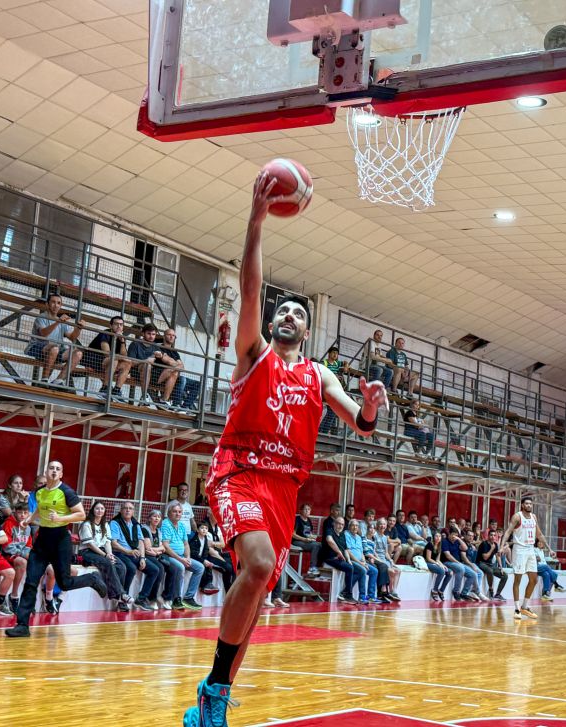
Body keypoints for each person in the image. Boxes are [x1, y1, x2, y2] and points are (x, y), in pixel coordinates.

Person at [185, 176, 388, 727]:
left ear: (308, 329)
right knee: (258, 565)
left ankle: (214, 697)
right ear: (273, 323)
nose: (290, 315)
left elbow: (360, 423)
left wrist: (371, 406)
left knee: (253, 598)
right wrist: (255, 224)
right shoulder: (254, 355)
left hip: (283, 491)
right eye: (285, 310)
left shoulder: (320, 374)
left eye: (300, 312)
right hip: (238, 472)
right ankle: (213, 688)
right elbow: (251, 289)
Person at [4, 461, 107, 637]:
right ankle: (22, 625)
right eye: (51, 468)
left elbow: (81, 514)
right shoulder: (39, 492)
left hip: (61, 540)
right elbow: (40, 510)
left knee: (65, 582)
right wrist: (29, 520)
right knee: (31, 582)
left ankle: (92, 579)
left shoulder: (66, 492)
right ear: (46, 472)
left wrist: (60, 518)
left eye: (58, 469)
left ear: (61, 474)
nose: (54, 471)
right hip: (42, 539)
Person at [501, 495, 547, 619]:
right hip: (519, 550)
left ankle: (525, 607)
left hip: (530, 549)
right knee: (518, 580)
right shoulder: (517, 516)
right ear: (522, 505)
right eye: (526, 503)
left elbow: (539, 534)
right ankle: (517, 609)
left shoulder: (534, 517)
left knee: (534, 579)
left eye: (530, 504)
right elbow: (508, 531)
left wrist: (549, 548)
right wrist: (501, 546)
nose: (529, 505)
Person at [25, 293, 83, 388]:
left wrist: (79, 328)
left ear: (61, 306)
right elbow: (43, 333)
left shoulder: (62, 322)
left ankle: (58, 380)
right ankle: (44, 380)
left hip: (55, 351)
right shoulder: (41, 318)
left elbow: (72, 337)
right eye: (53, 302)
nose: (56, 305)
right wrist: (58, 322)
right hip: (36, 348)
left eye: (58, 303)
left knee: (78, 353)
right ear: (47, 304)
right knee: (54, 348)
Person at [79, 500, 128, 611]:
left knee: (121, 566)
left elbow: (107, 542)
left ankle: (116, 595)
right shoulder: (86, 524)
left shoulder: (105, 524)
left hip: (102, 551)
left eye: (102, 509)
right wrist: (105, 556)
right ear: (93, 510)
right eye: (97, 508)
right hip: (87, 551)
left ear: (105, 511)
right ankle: (121, 594)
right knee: (107, 563)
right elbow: (90, 545)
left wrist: (110, 554)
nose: (99, 511)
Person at [111, 501, 160, 611]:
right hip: (120, 552)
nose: (128, 510)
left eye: (130, 508)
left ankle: (141, 599)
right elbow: (114, 543)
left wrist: (142, 557)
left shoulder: (136, 524)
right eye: (125, 508)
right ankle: (122, 600)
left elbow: (141, 542)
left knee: (154, 570)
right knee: (131, 568)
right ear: (121, 510)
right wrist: (128, 552)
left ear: (133, 511)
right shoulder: (115, 523)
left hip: (134, 553)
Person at [161, 502, 203, 610]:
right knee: (180, 567)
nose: (177, 514)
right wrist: (181, 559)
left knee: (200, 567)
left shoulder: (182, 525)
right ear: (169, 513)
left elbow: (186, 544)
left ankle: (189, 597)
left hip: (182, 556)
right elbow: (166, 546)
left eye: (179, 512)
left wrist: (187, 558)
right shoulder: (166, 524)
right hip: (168, 556)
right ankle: (176, 599)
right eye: (175, 511)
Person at [83, 316, 130, 400]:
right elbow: (107, 354)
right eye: (116, 324)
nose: (119, 326)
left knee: (127, 363)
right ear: (110, 326)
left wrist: (122, 341)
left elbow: (124, 355)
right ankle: (104, 389)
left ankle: (116, 391)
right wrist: (121, 357)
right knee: (114, 360)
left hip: (107, 364)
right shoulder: (105, 333)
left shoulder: (121, 338)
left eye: (121, 324)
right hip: (93, 361)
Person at [143, 509, 180, 609]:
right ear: (149, 518)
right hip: (147, 555)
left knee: (174, 569)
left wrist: (157, 550)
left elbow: (163, 547)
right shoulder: (145, 529)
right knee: (160, 569)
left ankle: (166, 597)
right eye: (154, 516)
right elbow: (147, 548)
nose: (156, 518)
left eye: (159, 517)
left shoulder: (158, 531)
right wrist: (158, 550)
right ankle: (151, 598)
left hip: (157, 555)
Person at [1, 502, 34, 614]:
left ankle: (30, 598)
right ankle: (14, 595)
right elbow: (6, 546)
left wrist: (27, 554)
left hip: (20, 554)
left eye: (25, 513)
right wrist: (22, 554)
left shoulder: (28, 527)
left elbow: (28, 545)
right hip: (7, 554)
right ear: (15, 512)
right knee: (22, 562)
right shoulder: (8, 524)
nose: (22, 515)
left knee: (37, 562)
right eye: (20, 512)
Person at [343, 519, 377, 604]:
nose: (355, 527)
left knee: (374, 571)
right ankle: (362, 597)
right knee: (363, 570)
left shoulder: (358, 537)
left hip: (360, 562)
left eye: (356, 526)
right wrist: (360, 563)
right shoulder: (346, 534)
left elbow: (361, 552)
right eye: (353, 525)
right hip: (351, 560)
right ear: (349, 527)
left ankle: (371, 596)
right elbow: (349, 552)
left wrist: (364, 562)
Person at [441, 527, 479, 601]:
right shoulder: (445, 541)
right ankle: (456, 591)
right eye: (453, 535)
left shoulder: (456, 541)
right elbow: (448, 556)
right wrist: (458, 562)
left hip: (457, 563)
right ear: (449, 534)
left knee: (473, 574)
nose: (454, 537)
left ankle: (464, 593)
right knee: (460, 569)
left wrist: (458, 539)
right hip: (447, 562)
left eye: (456, 535)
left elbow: (465, 548)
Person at [476, 529, 508, 600]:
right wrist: (491, 549)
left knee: (505, 575)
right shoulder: (484, 544)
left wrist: (501, 567)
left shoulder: (495, 545)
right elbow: (485, 557)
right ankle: (491, 589)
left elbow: (498, 556)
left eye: (494, 535)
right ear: (488, 536)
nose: (493, 537)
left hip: (490, 565)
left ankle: (498, 594)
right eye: (491, 535)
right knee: (490, 571)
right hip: (481, 563)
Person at [291, 503, 321, 576]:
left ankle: (317, 566)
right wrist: (304, 539)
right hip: (296, 541)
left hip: (306, 541)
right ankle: (312, 568)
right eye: (305, 509)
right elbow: (293, 534)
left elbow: (308, 533)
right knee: (316, 546)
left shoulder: (309, 521)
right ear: (301, 510)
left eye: (309, 509)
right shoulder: (297, 519)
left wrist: (312, 537)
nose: (307, 511)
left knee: (321, 545)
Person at [423, 531, 451, 601]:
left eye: (439, 536)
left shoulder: (439, 546)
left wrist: (443, 565)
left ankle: (441, 590)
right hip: (426, 563)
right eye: (436, 536)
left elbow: (438, 559)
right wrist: (437, 564)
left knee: (450, 572)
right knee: (441, 571)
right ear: (433, 537)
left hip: (434, 563)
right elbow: (428, 558)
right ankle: (434, 590)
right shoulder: (430, 544)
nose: (438, 538)